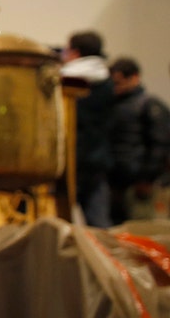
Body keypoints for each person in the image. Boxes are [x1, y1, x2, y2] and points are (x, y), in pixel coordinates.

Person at [60, 30, 114, 227]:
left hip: (71, 158)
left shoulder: (66, 80)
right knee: (99, 222)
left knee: (61, 219)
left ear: (75, 52)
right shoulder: (107, 80)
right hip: (98, 158)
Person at [108, 56, 170, 223]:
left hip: (139, 183)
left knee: (142, 228)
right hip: (116, 181)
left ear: (134, 78)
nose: (115, 88)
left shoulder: (150, 105)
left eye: (119, 82)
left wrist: (147, 178)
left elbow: (160, 145)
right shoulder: (113, 106)